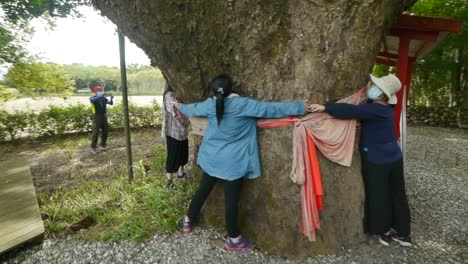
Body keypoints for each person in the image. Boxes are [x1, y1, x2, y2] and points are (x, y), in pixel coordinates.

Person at [175, 73, 312, 251]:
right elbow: (270, 109)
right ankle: (233, 239)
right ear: (232, 88)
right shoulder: (243, 104)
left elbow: (191, 109)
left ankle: (188, 220)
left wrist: (178, 105)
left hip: (211, 158)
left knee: (203, 190)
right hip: (233, 162)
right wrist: (300, 106)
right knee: (231, 200)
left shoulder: (210, 104)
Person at [310, 74, 412, 247]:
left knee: (379, 195)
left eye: (377, 88)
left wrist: (324, 107)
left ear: (382, 94)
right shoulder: (385, 108)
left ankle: (384, 230)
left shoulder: (375, 110)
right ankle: (404, 233)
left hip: (377, 159)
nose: (373, 88)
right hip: (394, 156)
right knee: (398, 194)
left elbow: (351, 111)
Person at [162, 84, 190, 189]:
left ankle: (180, 173)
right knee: (173, 155)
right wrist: (182, 106)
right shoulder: (169, 94)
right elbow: (173, 108)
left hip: (182, 130)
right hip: (173, 131)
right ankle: (169, 181)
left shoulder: (182, 94)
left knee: (183, 154)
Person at [90, 86, 114, 154]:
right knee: (96, 132)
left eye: (101, 90)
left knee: (105, 131)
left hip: (104, 116)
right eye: (99, 91)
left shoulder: (104, 98)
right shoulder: (93, 98)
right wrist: (101, 96)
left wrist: (111, 98)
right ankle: (93, 147)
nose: (100, 92)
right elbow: (92, 101)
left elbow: (110, 103)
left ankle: (103, 145)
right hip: (96, 117)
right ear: (96, 92)